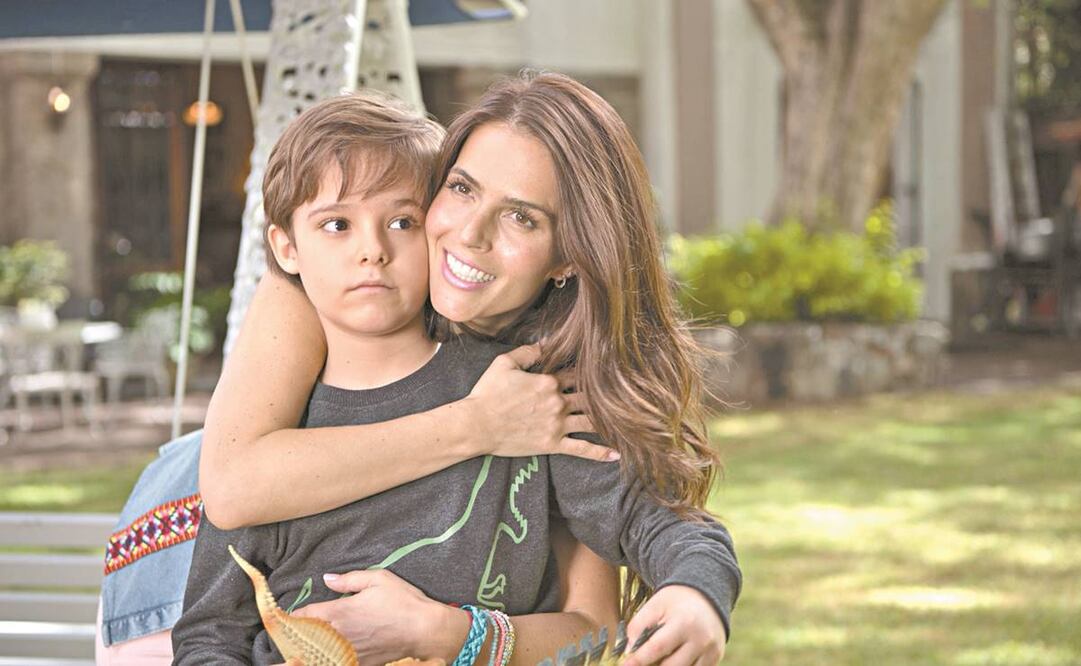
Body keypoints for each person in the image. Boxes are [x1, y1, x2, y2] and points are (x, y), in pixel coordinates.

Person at [173, 87, 737, 666]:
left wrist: (697, 591)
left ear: (571, 255)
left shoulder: (534, 393)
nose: (372, 249)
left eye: (399, 220)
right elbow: (211, 631)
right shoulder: (280, 429)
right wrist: (474, 425)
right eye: (462, 189)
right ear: (288, 248)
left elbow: (654, 527)